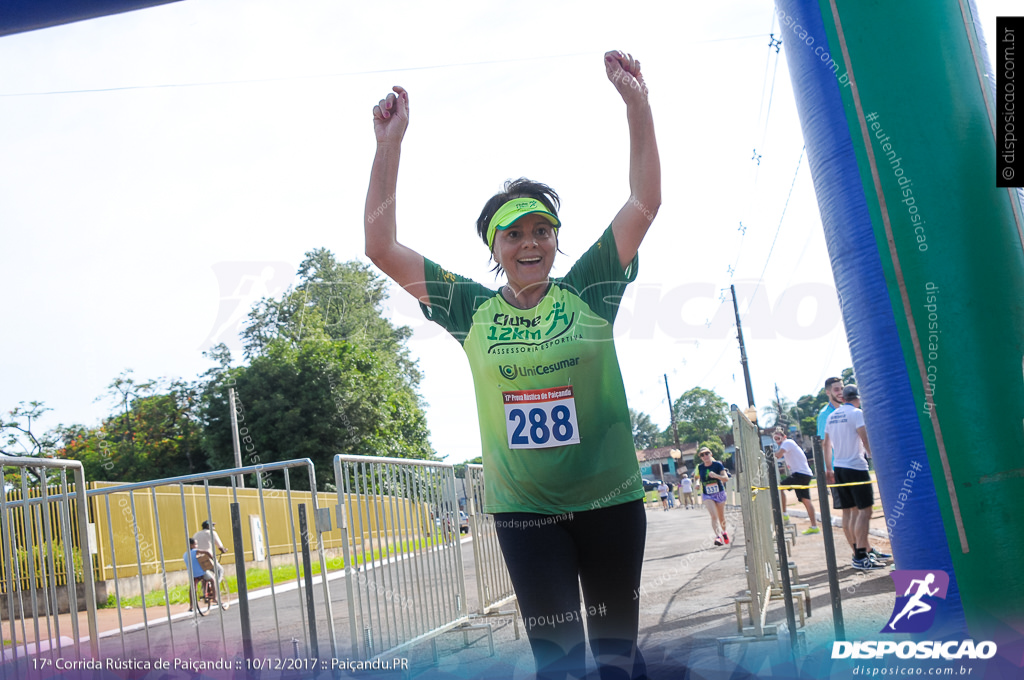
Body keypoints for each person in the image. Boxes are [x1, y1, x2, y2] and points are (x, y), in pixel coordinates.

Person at [363, 49, 660, 680]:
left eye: (541, 231)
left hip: (610, 503)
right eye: (513, 234)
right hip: (527, 515)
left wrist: (638, 103)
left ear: (556, 240)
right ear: (495, 248)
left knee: (614, 661)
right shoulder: (468, 308)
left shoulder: (590, 288)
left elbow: (644, 199)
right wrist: (389, 144)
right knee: (560, 664)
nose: (529, 243)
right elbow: (381, 247)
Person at [823, 384, 890, 569]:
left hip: (840, 468)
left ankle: (861, 552)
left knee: (849, 511)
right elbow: (864, 438)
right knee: (865, 511)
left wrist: (829, 468)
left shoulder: (831, 416)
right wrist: (875, 460)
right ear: (858, 398)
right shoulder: (856, 413)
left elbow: (826, 444)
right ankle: (861, 555)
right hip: (856, 467)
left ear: (843, 398)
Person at [772, 428, 819, 534]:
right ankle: (814, 526)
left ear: (784, 437)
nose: (778, 441)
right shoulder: (787, 445)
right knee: (806, 500)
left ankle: (784, 514)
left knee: (779, 487)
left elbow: (778, 455)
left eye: (779, 438)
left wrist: (767, 457)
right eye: (775, 439)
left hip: (800, 474)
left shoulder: (787, 442)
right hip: (804, 474)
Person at [183, 538, 227, 610]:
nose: (196, 546)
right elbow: (206, 552)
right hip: (201, 572)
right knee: (212, 580)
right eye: (195, 544)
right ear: (191, 545)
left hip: (192, 574)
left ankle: (191, 606)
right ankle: (214, 599)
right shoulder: (195, 551)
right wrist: (213, 558)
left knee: (192, 588)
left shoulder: (185, 554)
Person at [697, 448, 730, 546]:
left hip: (719, 493)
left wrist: (716, 476)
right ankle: (718, 536)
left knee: (721, 516)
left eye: (707, 453)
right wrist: (697, 483)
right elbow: (697, 478)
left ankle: (724, 532)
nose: (705, 456)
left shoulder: (717, 465)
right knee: (713, 516)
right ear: (701, 458)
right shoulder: (700, 467)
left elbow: (726, 478)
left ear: (710, 454)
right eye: (702, 455)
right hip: (707, 494)